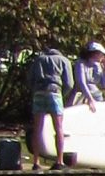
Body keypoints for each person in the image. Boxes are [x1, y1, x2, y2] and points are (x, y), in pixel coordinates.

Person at [25, 40, 74, 168]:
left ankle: (36, 161)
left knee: (38, 128)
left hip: (39, 93)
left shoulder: (39, 60)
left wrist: (34, 90)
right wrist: (62, 94)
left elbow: (30, 79)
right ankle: (59, 161)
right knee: (58, 127)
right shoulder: (64, 61)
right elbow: (69, 83)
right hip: (54, 92)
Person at [73, 39, 105, 108]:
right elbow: (81, 82)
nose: (103, 56)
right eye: (101, 54)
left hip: (96, 95)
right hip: (82, 96)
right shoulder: (81, 64)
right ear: (95, 54)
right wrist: (90, 99)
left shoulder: (99, 66)